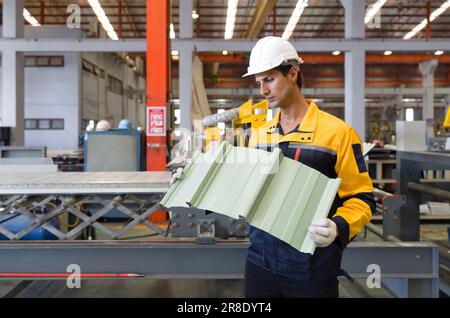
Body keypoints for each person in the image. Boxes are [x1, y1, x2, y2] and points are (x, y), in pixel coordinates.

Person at [170, 36, 375, 298]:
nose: (263, 91)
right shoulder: (260, 135)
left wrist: (337, 227)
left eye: (268, 79)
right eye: (258, 83)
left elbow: (362, 199)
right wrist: (192, 179)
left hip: (311, 267)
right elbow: (242, 189)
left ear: (292, 73)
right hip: (260, 262)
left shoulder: (338, 133)